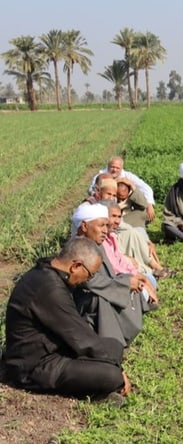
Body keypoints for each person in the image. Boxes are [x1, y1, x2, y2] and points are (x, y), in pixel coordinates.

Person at [2, 237, 130, 400]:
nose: (87, 280)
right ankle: (101, 394)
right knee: (112, 375)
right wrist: (118, 369)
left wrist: (113, 356)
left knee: (114, 346)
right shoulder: (50, 288)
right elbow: (81, 339)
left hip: (53, 348)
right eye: (89, 275)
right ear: (76, 266)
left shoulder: (48, 271)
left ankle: (101, 389)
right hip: (34, 366)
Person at [71, 202, 153, 348]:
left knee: (130, 286)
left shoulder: (96, 246)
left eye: (106, 226)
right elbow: (89, 282)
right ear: (84, 226)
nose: (105, 231)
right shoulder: (77, 249)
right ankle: (111, 346)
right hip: (85, 301)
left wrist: (128, 280)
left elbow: (109, 275)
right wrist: (126, 284)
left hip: (104, 288)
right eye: (101, 226)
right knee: (101, 299)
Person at [88, 156, 156, 221]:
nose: (114, 170)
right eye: (112, 167)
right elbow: (92, 189)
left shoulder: (127, 176)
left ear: (121, 168)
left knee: (144, 211)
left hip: (125, 207)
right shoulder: (101, 175)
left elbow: (146, 188)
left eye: (117, 168)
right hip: (104, 205)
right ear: (108, 166)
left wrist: (149, 204)